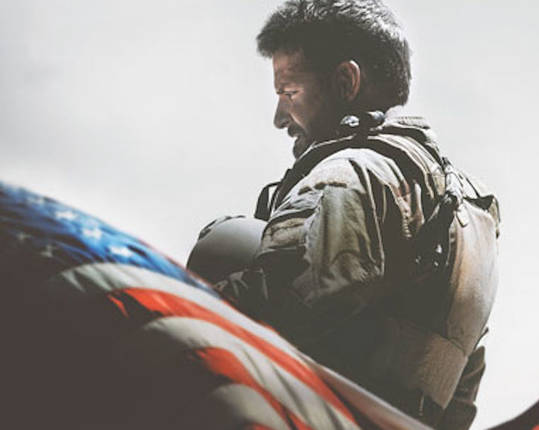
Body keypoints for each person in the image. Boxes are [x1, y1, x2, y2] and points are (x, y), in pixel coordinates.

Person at [205, 1, 501, 428]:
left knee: (226, 243)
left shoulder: (349, 177)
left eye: (289, 93)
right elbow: (462, 394)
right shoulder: (471, 215)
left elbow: (268, 313)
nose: (279, 117)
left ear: (346, 81)